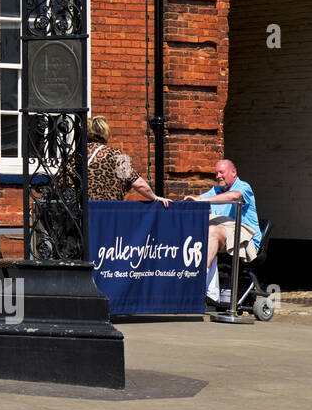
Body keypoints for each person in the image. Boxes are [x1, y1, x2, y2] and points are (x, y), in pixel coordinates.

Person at [184, 158, 261, 306]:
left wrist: (202, 201)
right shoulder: (216, 191)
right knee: (203, 232)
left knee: (212, 231)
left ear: (233, 172)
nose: (218, 176)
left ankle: (196, 283)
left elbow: (234, 197)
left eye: (222, 172)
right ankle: (211, 294)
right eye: (216, 173)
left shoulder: (244, 187)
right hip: (225, 233)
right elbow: (199, 199)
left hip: (246, 236)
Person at [85, 116, 170, 205]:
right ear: (105, 133)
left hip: (81, 213)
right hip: (108, 211)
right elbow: (138, 183)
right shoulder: (115, 154)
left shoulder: (77, 156)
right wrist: (155, 197)